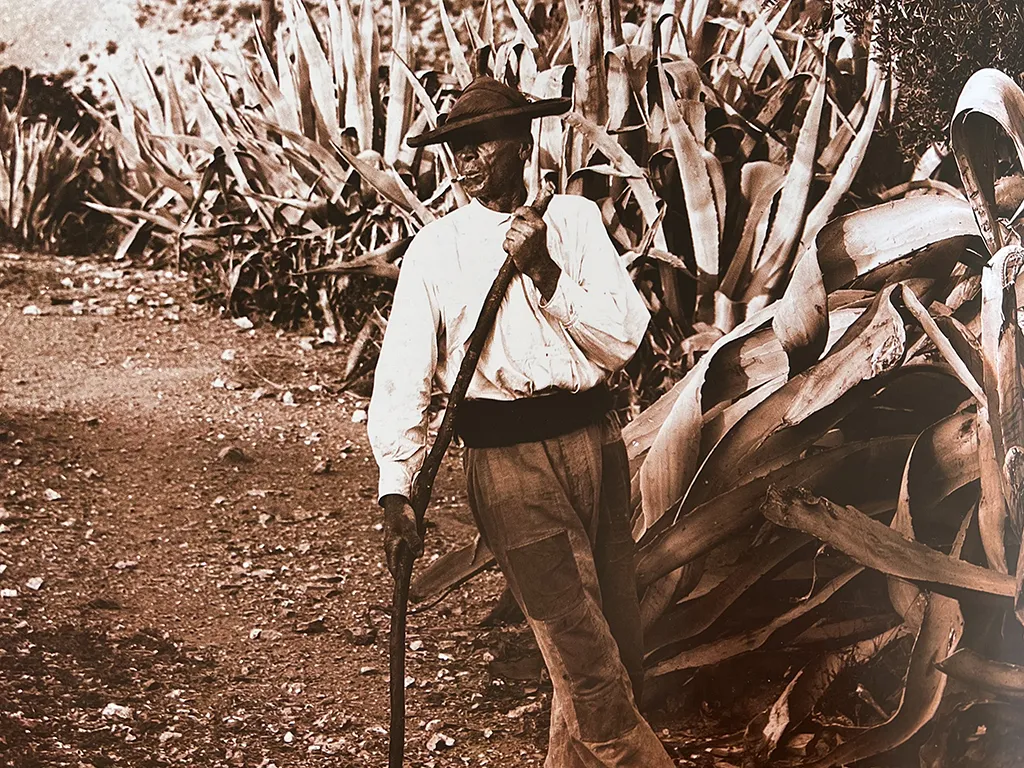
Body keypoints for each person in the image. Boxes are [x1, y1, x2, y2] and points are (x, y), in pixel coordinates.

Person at [368, 76, 674, 768]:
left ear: (522, 140)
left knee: (615, 646)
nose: (464, 158)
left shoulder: (574, 221)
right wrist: (397, 489)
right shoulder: (436, 250)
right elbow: (404, 377)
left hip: (597, 447)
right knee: (589, 666)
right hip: (508, 470)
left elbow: (625, 336)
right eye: (454, 146)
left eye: (478, 142)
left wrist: (547, 275)